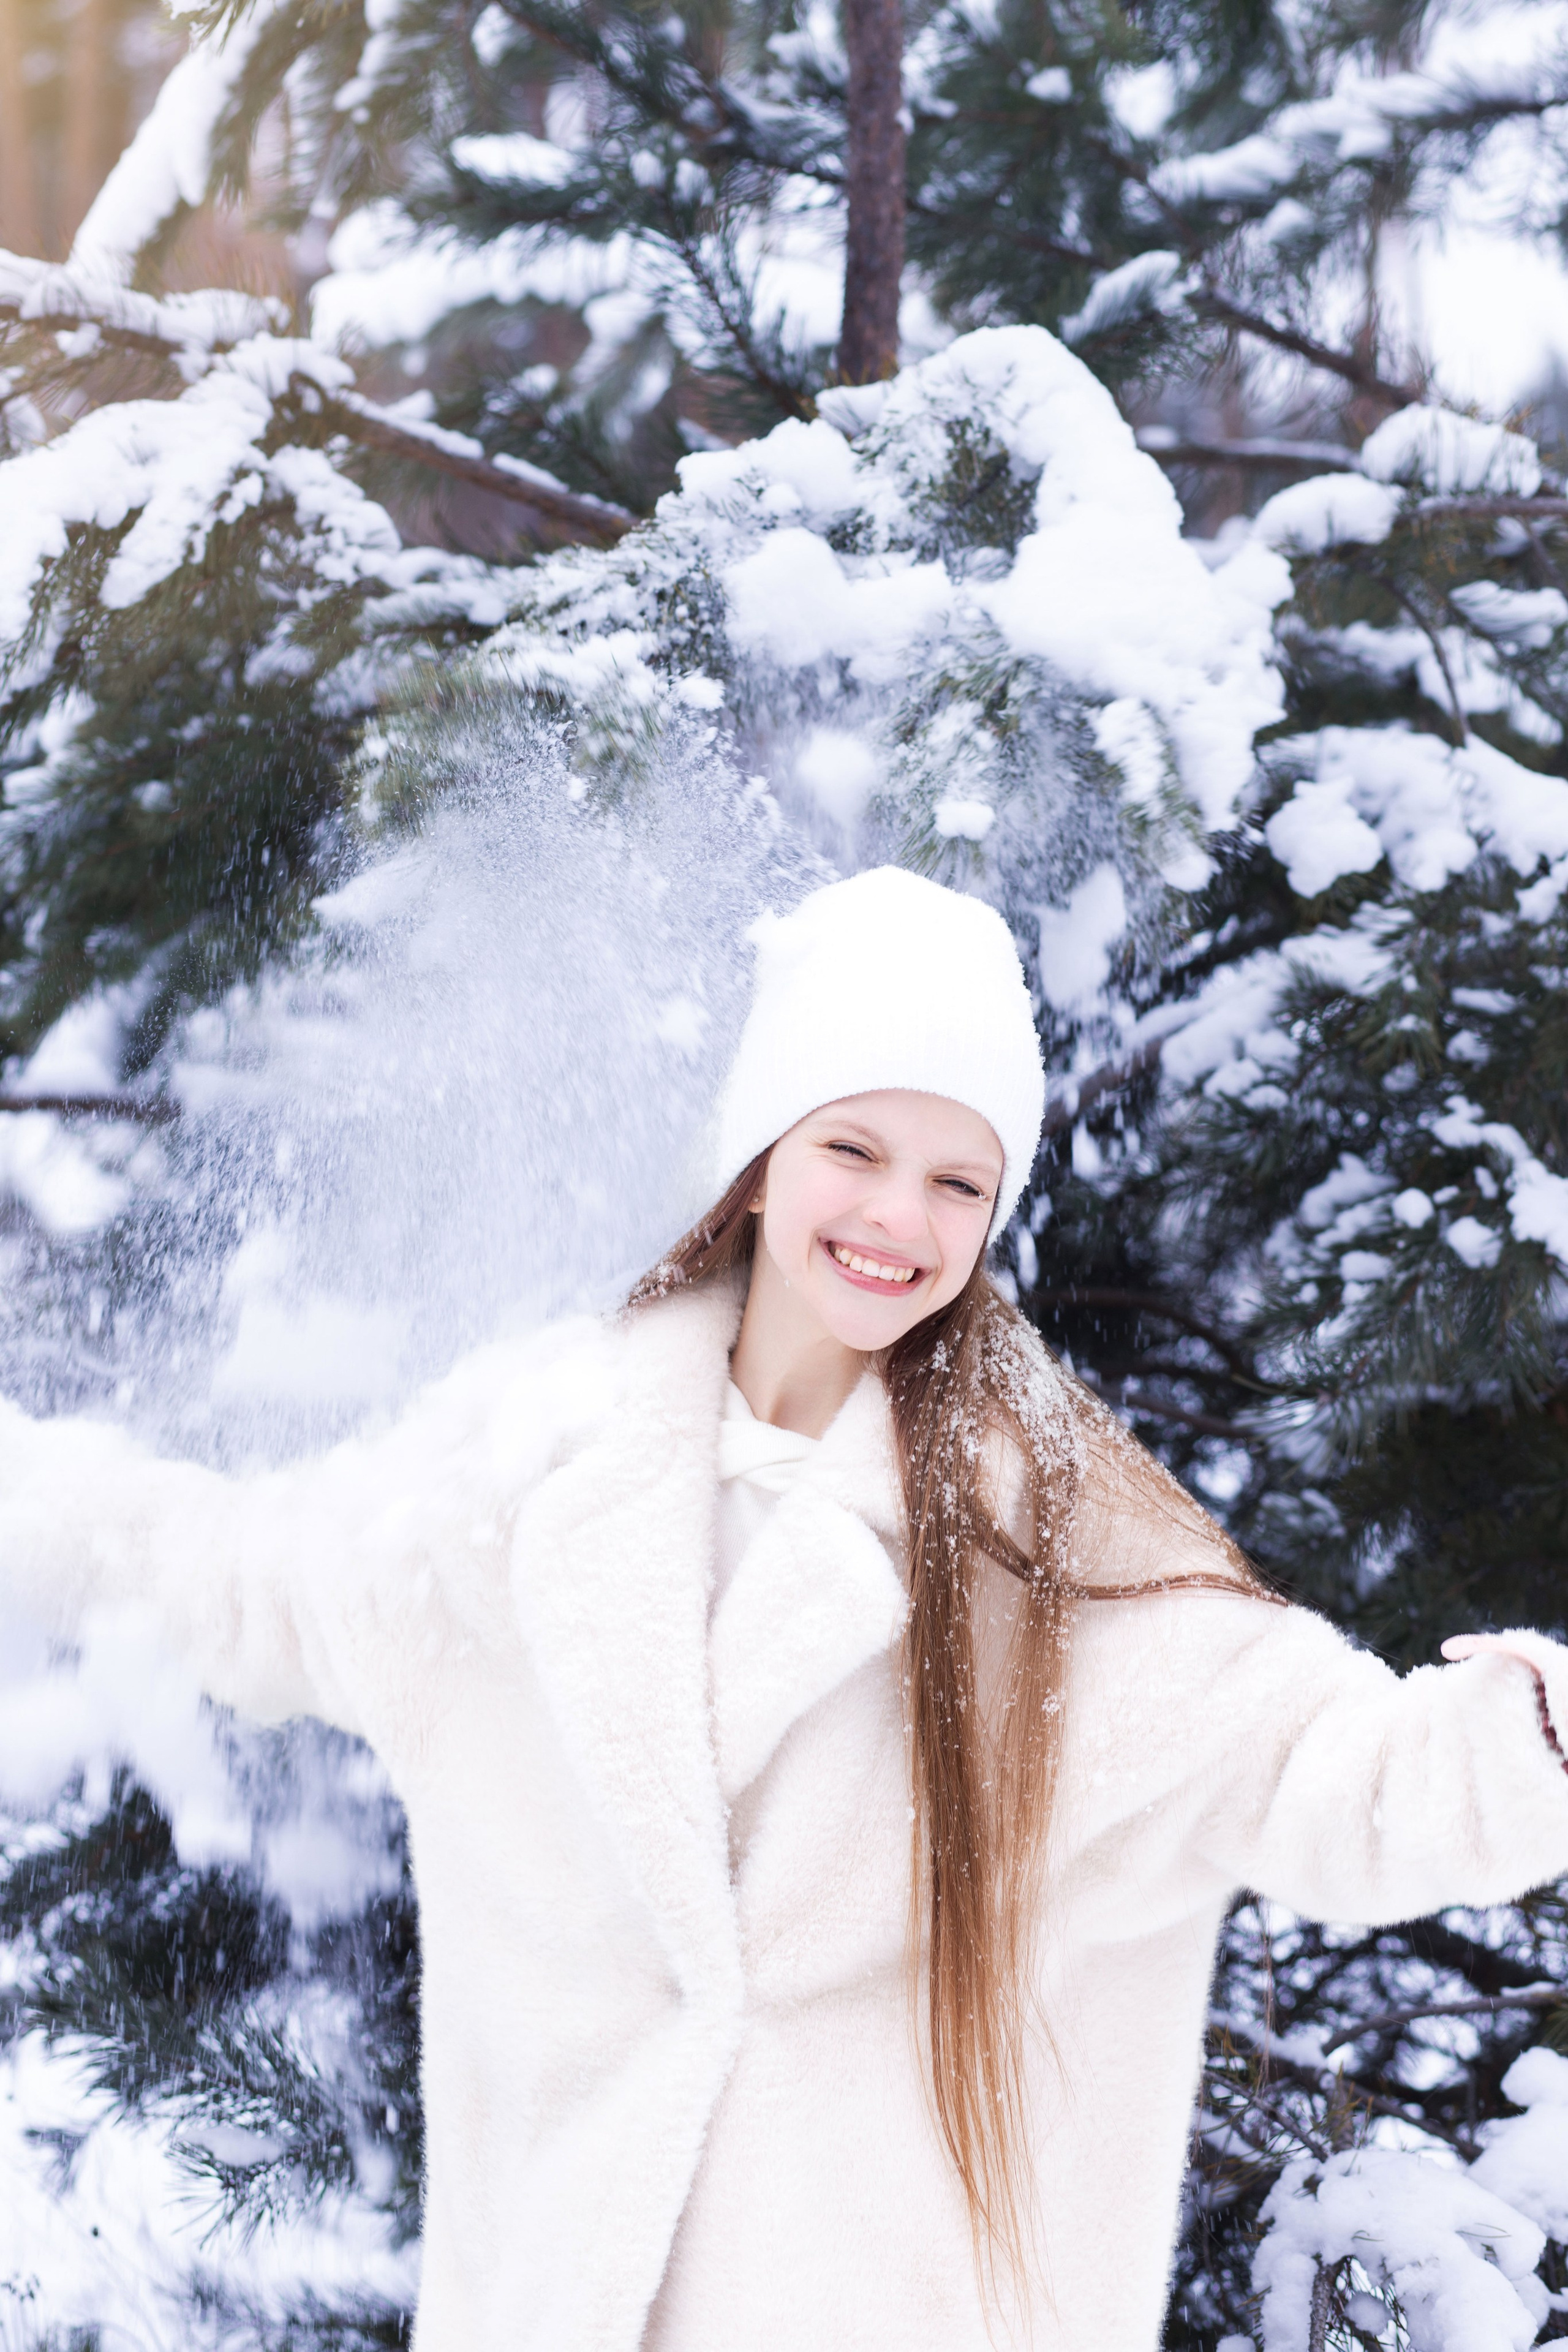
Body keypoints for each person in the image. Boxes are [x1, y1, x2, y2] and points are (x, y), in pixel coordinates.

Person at [1, 863, 1566, 2352]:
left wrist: (1526, 1737)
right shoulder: (528, 1471)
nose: (902, 1217)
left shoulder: (1049, 1542)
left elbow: (1346, 1785)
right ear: (758, 1157)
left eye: (959, 1180)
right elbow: (251, 1587)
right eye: (853, 1149)